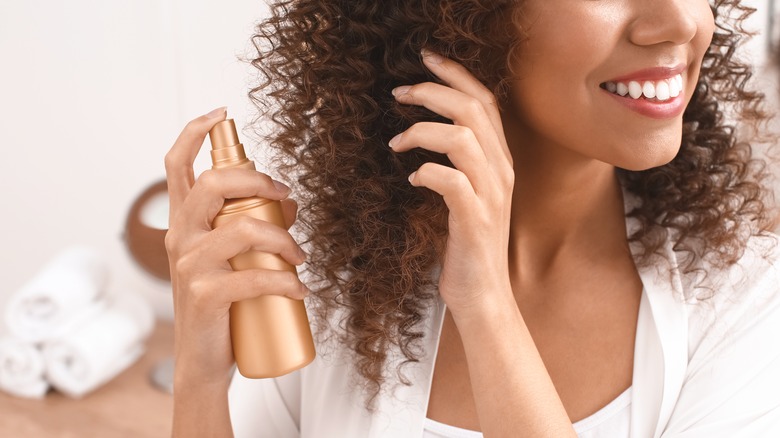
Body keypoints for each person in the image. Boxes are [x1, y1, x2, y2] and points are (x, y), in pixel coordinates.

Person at [164, 0, 780, 437]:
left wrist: (485, 304)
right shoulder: (340, 278)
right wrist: (198, 382)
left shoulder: (747, 299)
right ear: (464, 17)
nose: (680, 20)